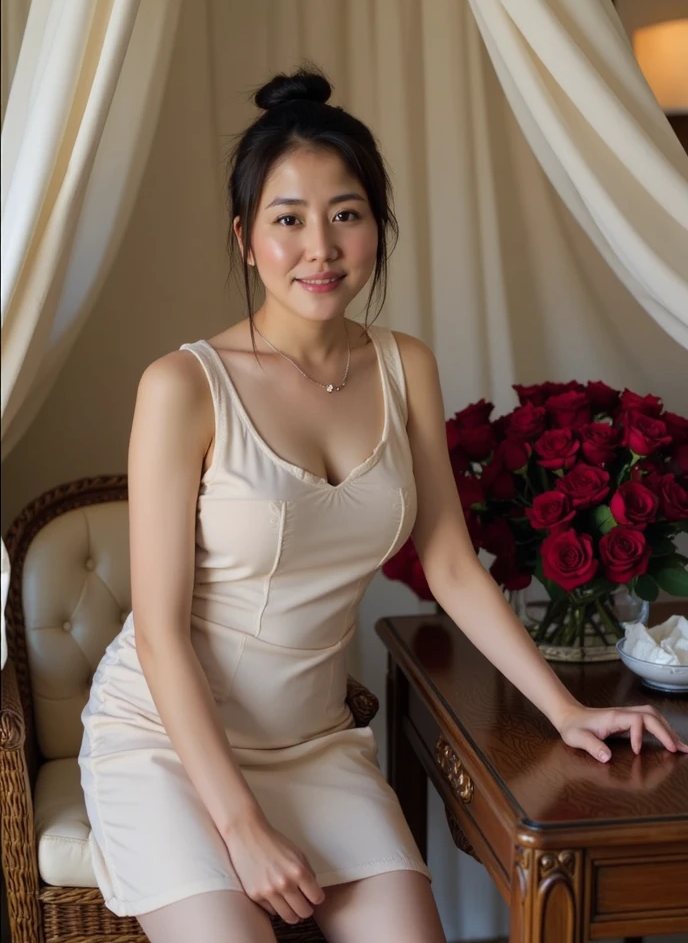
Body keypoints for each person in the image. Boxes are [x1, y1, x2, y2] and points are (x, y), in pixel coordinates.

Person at [78, 65, 687, 943]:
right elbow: (161, 629)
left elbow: (448, 562)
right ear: (246, 238)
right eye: (288, 219)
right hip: (169, 745)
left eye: (346, 215)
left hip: (315, 743)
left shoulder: (404, 365)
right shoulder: (183, 386)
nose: (319, 247)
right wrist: (241, 825)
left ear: (378, 228)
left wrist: (566, 708)